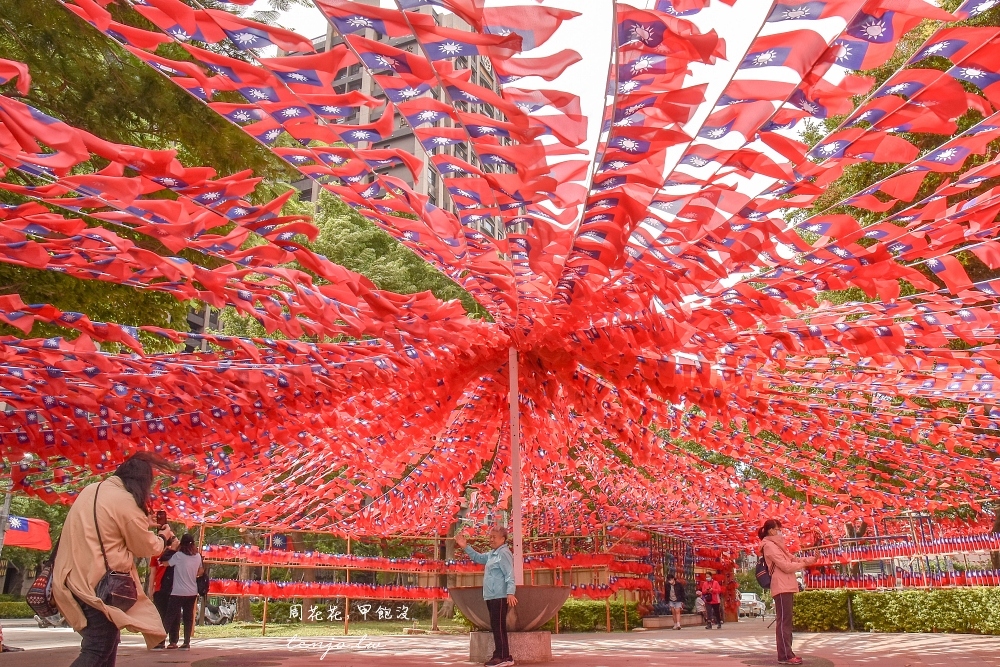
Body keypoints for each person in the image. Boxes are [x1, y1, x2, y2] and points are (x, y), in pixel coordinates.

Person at [52, 453, 178, 667]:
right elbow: (144, 547)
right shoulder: (126, 501)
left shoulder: (92, 490)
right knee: (98, 647)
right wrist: (164, 539)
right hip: (98, 585)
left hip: (72, 577)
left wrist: (141, 523)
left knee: (108, 643)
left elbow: (108, 529)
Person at [455, 526, 517, 667]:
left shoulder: (504, 553)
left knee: (498, 626)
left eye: (494, 537)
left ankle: (502, 657)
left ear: (503, 539)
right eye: (490, 537)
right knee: (497, 626)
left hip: (500, 596)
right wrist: (465, 547)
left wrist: (510, 592)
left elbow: (509, 574)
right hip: (491, 596)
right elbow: (478, 557)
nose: (491, 539)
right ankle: (504, 656)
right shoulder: (492, 554)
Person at [759, 519, 818, 666]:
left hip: (786, 585)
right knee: (783, 622)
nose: (781, 531)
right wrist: (803, 564)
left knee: (786, 621)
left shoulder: (778, 546)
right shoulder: (769, 546)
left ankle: (787, 653)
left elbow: (793, 559)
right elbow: (786, 566)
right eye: (778, 529)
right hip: (781, 586)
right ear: (771, 530)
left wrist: (810, 560)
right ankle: (785, 655)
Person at [163, 534, 204, 650]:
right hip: (192, 591)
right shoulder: (197, 556)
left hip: (178, 591)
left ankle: (161, 640)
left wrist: (173, 549)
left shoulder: (178, 556)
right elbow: (200, 571)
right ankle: (186, 642)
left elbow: (166, 563)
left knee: (169, 617)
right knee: (188, 617)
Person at [149, 537, 179, 650]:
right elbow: (153, 573)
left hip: (174, 588)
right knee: (160, 615)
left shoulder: (176, 554)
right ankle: (160, 641)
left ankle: (173, 640)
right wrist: (151, 588)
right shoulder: (156, 554)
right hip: (160, 588)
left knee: (174, 615)